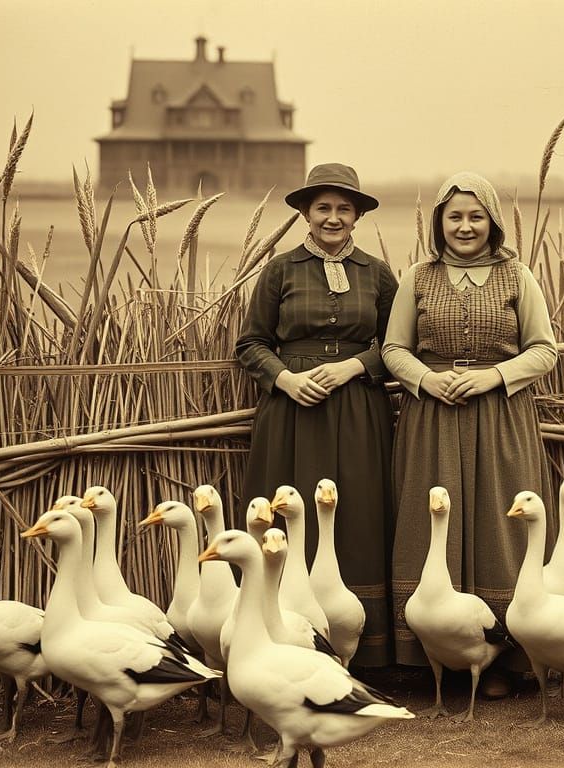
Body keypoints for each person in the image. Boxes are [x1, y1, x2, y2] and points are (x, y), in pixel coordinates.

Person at [382, 171, 558, 695]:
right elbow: (393, 349)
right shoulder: (418, 278)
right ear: (439, 222)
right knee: (432, 521)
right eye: (454, 216)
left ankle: (506, 660)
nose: (465, 226)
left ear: (493, 222)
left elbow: (544, 350)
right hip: (432, 418)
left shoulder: (518, 276)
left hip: (501, 418)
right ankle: (435, 658)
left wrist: (493, 376)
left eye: (476, 216)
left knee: (501, 523)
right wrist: (427, 379)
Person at [235, 163, 399, 668]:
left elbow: (399, 346)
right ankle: (278, 639)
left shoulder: (377, 273)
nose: (333, 218)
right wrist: (287, 379)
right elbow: (250, 343)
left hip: (358, 410)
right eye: (323, 207)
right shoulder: (280, 269)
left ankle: (362, 652)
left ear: (357, 216)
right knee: (291, 507)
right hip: (292, 412)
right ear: (306, 212)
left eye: (344, 209)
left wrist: (354, 366)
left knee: (358, 511)